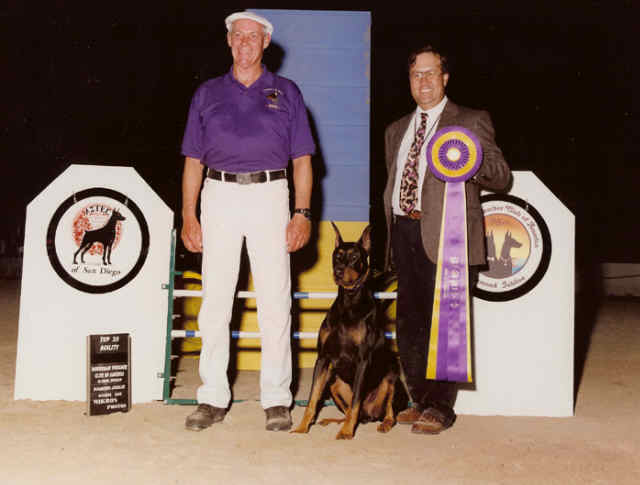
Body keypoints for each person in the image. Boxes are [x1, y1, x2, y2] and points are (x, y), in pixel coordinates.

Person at [180, 11, 315, 432]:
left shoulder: (287, 91)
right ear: (228, 41)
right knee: (215, 300)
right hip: (217, 194)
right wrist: (188, 214)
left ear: (265, 43)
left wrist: (302, 213)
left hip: (270, 195)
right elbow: (193, 161)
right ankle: (212, 397)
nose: (244, 43)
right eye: (237, 35)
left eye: (252, 37)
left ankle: (277, 399)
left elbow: (302, 160)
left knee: (275, 299)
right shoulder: (207, 92)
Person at [382, 45, 510, 434]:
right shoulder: (396, 129)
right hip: (403, 231)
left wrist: (470, 163)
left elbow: (501, 176)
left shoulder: (470, 119)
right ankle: (419, 399)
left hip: (447, 235)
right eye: (416, 74)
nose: (423, 81)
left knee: (447, 324)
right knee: (410, 323)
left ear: (445, 78)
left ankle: (441, 407)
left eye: (431, 73)